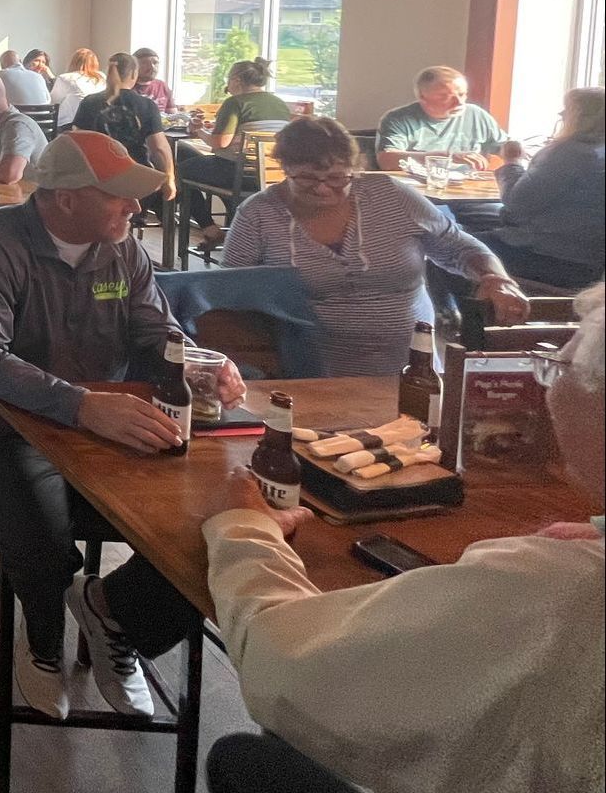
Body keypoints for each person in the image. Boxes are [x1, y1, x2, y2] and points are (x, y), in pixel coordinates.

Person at [193, 283, 606, 793]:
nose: (548, 387)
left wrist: (241, 528)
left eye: (558, 370)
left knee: (249, 762)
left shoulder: (556, 591)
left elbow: (288, 665)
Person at [0, 131, 246, 720]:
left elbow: (156, 331)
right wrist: (81, 405)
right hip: (2, 416)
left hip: (102, 416)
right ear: (65, 198)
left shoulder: (123, 248)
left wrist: (203, 364)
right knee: (42, 537)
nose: (136, 208)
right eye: (119, 196)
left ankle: (116, 617)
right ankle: (45, 642)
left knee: (210, 519)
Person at [222, 116, 529, 374]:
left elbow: (458, 247)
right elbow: (226, 294)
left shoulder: (391, 195)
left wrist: (494, 278)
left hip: (410, 367)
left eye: (336, 177)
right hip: (309, 373)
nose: (322, 188)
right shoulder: (259, 213)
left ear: (355, 168)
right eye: (306, 178)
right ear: (284, 168)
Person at [485, 87, 605, 290]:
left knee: (451, 249)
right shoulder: (597, 151)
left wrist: (512, 160)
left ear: (580, 117)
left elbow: (517, 203)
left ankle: (459, 317)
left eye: (567, 109)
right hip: (591, 261)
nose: (561, 115)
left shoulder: (569, 152)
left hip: (549, 257)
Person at [177, 57, 293, 251]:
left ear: (237, 80)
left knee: (178, 170)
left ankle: (210, 229)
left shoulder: (235, 103)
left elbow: (220, 142)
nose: (228, 86)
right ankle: (235, 220)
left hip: (237, 173)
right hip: (271, 176)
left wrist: (199, 131)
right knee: (187, 156)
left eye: (228, 80)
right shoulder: (280, 103)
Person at [72, 53, 175, 209]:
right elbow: (159, 149)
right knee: (167, 193)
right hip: (135, 182)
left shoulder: (89, 102)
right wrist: (169, 181)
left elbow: (77, 141)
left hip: (97, 180)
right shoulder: (147, 105)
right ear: (134, 74)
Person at [375, 66, 507, 172]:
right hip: (421, 191)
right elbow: (387, 160)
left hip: (470, 189)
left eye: (462, 94)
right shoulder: (398, 119)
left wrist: (516, 150)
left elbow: (502, 146)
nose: (459, 102)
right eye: (445, 97)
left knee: (503, 206)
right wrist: (447, 157)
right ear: (422, 97)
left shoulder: (477, 115)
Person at [48, 48, 107, 129]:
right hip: (96, 124)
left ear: (73, 62)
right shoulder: (102, 77)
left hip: (69, 124)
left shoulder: (66, 78)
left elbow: (53, 102)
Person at [131, 47, 176, 113]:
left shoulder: (162, 85)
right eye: (144, 63)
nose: (152, 67)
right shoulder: (128, 87)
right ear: (134, 66)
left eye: (155, 63)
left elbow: (173, 114)